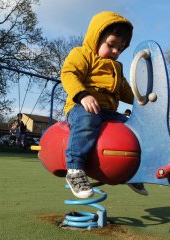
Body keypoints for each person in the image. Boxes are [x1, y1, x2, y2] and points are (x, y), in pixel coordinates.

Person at [61, 11, 148, 198]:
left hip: (108, 111)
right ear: (97, 38)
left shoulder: (117, 68)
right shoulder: (82, 54)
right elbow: (69, 74)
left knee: (132, 127)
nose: (116, 51)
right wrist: (83, 95)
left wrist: (141, 102)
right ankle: (75, 169)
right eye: (111, 45)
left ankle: (132, 172)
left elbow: (125, 91)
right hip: (81, 107)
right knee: (87, 121)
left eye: (120, 48)